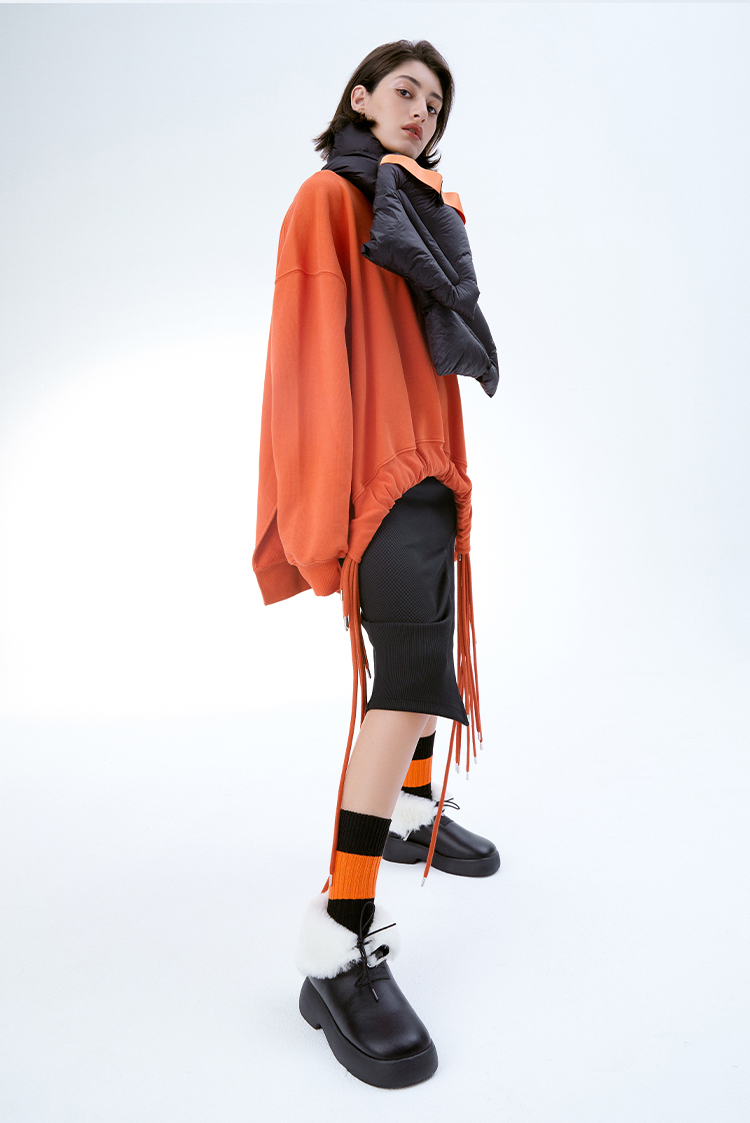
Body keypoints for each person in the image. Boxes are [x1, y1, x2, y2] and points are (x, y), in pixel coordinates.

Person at [252, 39, 499, 1088]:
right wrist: (331, 506)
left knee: (426, 661)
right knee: (403, 686)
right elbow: (305, 361)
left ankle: (407, 815)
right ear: (360, 98)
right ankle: (339, 941)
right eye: (405, 90)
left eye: (435, 102)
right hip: (376, 482)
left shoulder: (427, 209)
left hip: (429, 466)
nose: (421, 110)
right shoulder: (330, 200)